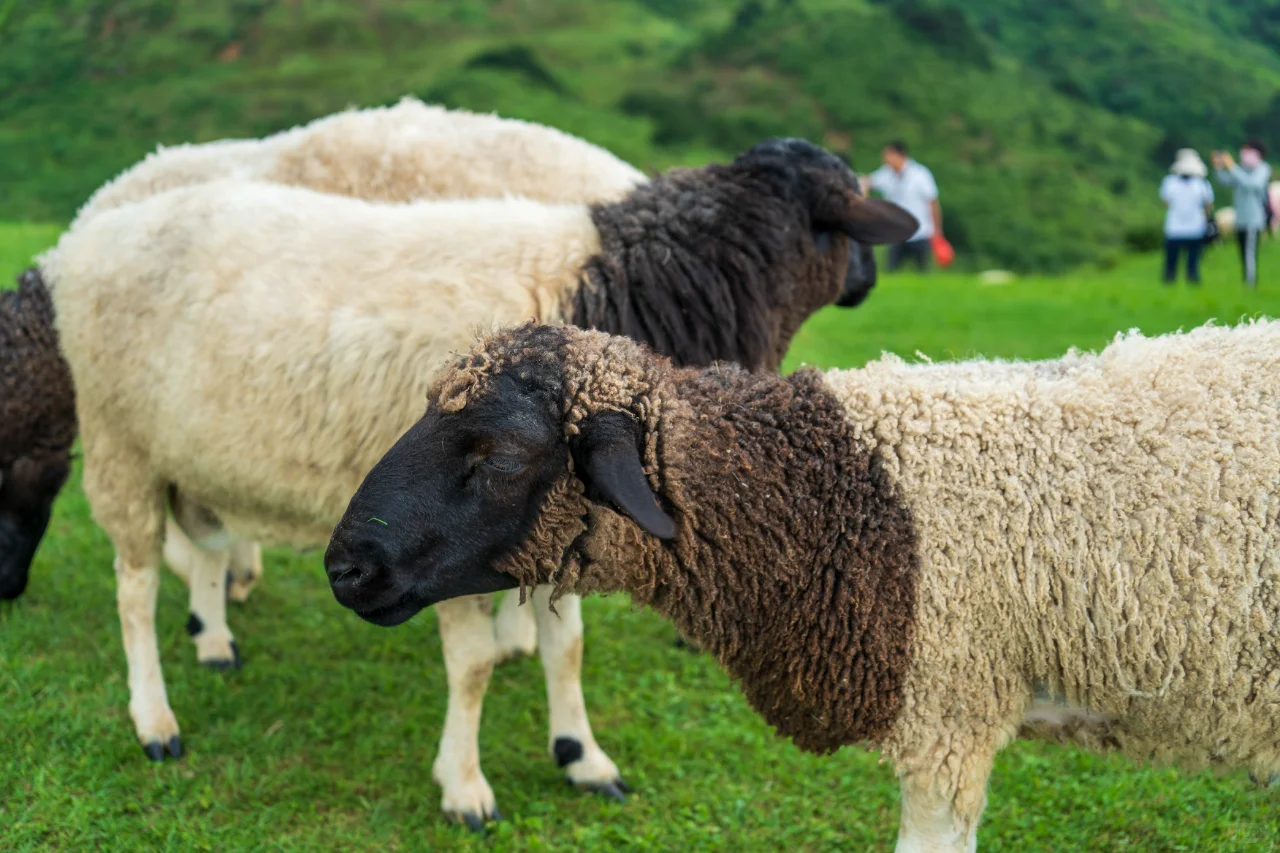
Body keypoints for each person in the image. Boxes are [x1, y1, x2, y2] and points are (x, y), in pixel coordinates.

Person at [865, 140, 942, 272]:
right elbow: (868, 182)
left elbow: (933, 202)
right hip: (897, 232)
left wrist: (937, 230)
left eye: (888, 155)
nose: (885, 160)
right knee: (892, 271)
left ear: (899, 155)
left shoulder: (920, 174)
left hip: (920, 231)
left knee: (923, 271)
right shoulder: (885, 174)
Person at [1213, 140, 1272, 287]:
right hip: (1240, 219)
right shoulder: (1241, 169)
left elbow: (1251, 184)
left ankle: (1250, 283)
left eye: (1247, 151)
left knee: (1250, 253)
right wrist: (1218, 167)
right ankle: (1247, 281)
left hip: (1253, 219)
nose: (1244, 154)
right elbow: (1226, 181)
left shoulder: (1263, 169)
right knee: (1242, 252)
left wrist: (1232, 166)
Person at [1159, 149, 1213, 285]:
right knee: (1192, 261)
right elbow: (1208, 205)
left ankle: (1170, 281)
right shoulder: (1202, 184)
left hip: (1174, 227)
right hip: (1195, 226)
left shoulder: (1169, 182)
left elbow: (1165, 203)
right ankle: (1191, 280)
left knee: (1171, 262)